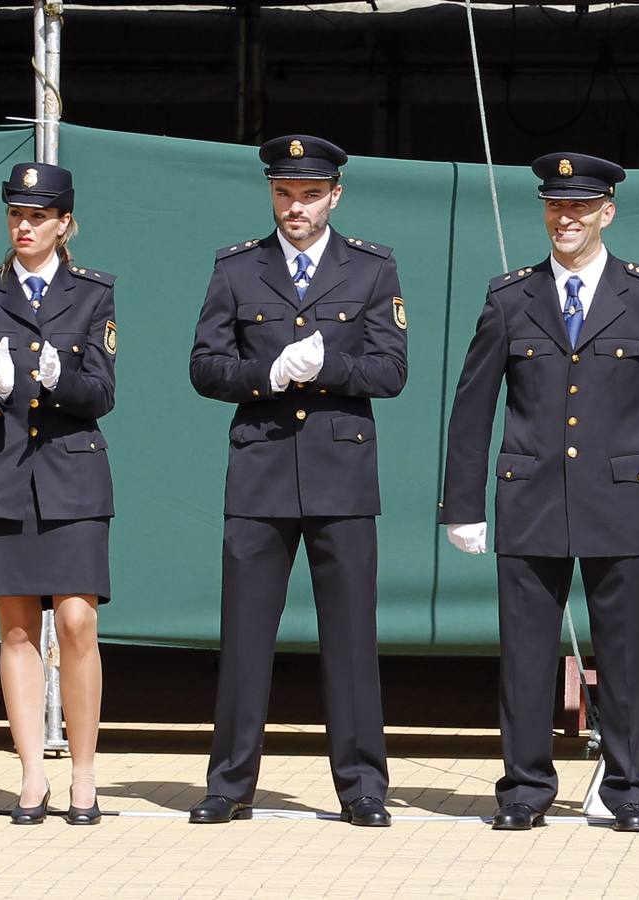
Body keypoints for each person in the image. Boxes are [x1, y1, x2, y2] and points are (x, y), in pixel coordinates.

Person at [439, 152, 639, 833]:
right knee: (526, 658)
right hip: (529, 496)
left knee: (623, 655)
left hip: (618, 499)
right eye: (555, 206)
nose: (566, 219)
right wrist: (463, 505)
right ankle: (525, 790)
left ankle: (629, 791)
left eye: (580, 207)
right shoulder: (509, 297)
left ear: (606, 212)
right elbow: (472, 405)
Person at [187, 135, 406, 828]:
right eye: (284, 192)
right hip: (260, 469)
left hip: (341, 472)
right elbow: (204, 366)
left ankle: (362, 786)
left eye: (310, 194)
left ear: (334, 196)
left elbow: (391, 370)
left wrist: (328, 370)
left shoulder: (371, 268)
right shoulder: (237, 269)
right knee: (245, 636)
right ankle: (229, 783)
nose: (295, 207)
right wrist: (268, 375)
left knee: (350, 638)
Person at [0, 162, 116, 826]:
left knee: (76, 620)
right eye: (16, 214)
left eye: (38, 216)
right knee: (15, 626)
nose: (24, 226)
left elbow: (103, 391)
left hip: (72, 474)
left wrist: (61, 381)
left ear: (64, 223)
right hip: (0, 471)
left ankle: (82, 773)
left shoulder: (93, 292)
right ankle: (29, 775)